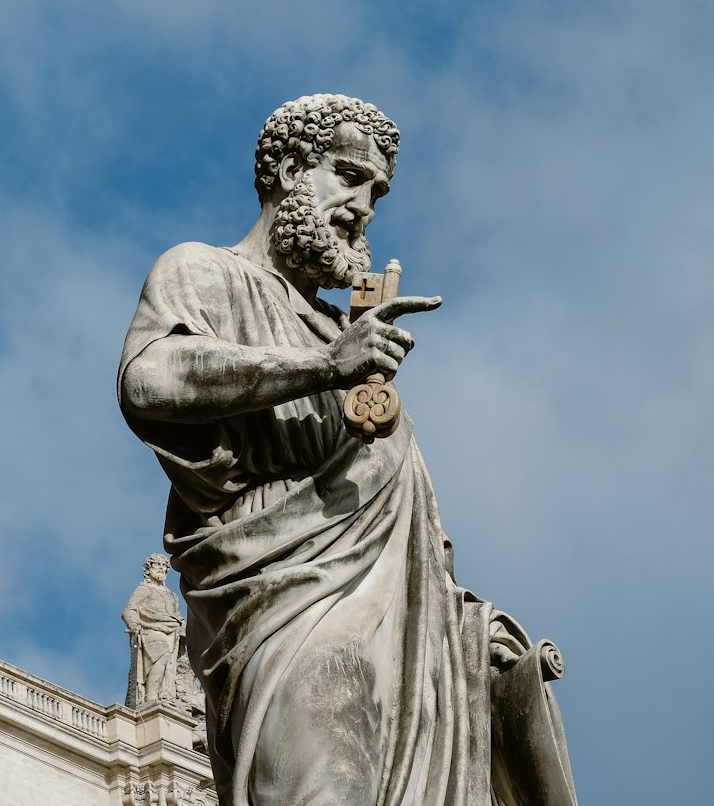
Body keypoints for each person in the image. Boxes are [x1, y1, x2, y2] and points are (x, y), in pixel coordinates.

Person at [118, 95, 576, 806]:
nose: (363, 206)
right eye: (348, 175)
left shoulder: (342, 329)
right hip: (283, 608)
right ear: (288, 171)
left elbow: (406, 531)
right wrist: (323, 367)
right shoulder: (204, 272)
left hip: (406, 649)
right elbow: (149, 380)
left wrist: (462, 628)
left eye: (377, 192)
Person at [122, 552, 186, 705]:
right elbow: (129, 610)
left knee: (171, 667)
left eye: (164, 566)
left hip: (172, 632)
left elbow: (177, 616)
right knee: (162, 655)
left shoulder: (172, 595)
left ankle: (165, 697)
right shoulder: (143, 589)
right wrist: (133, 624)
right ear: (148, 569)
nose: (162, 568)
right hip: (150, 629)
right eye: (158, 565)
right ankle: (151, 697)